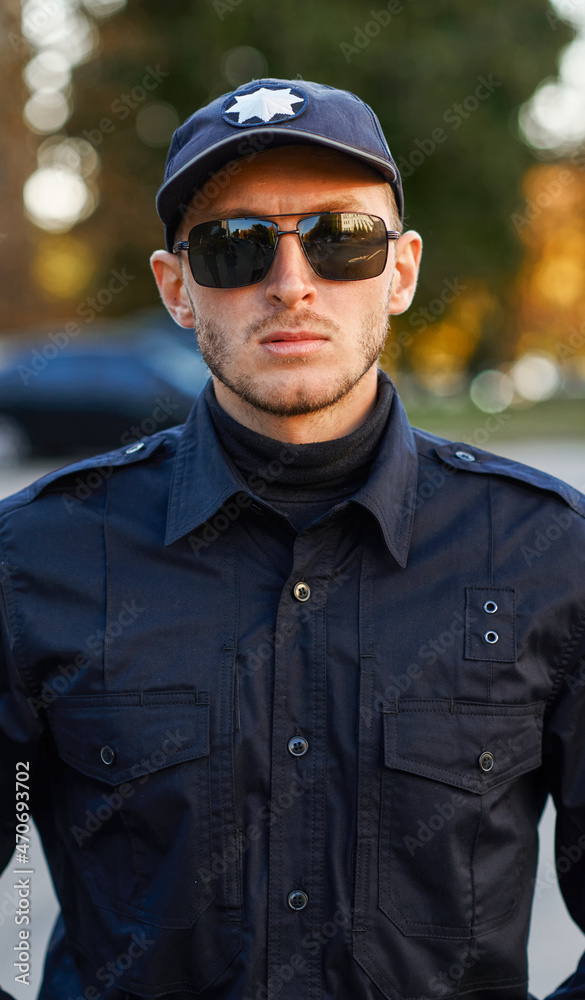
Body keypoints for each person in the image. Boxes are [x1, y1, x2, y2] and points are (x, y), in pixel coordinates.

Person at [1, 77, 585, 1000]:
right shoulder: (36, 560)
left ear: (400, 272)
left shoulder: (548, 554)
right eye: (233, 245)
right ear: (177, 289)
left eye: (340, 238)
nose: (291, 283)